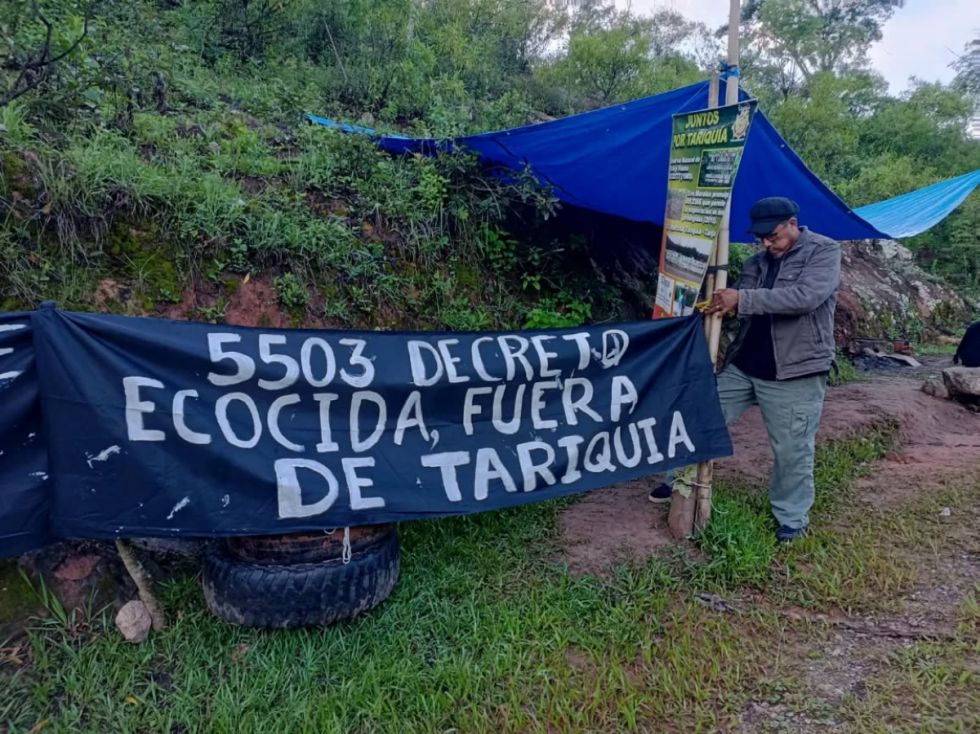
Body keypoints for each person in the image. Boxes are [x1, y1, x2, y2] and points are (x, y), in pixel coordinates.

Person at [650, 197, 841, 543]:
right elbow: (742, 302)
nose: (768, 242)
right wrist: (722, 304)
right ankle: (678, 480)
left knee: (792, 448)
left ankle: (791, 516)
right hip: (745, 364)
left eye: (774, 235)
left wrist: (742, 299)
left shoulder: (824, 252)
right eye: (762, 237)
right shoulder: (757, 261)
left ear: (793, 223)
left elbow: (805, 298)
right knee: (701, 417)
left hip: (795, 370)